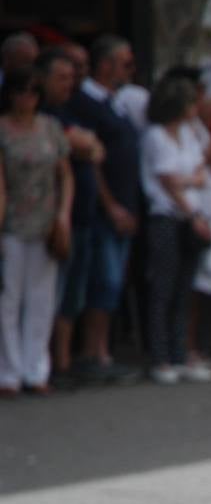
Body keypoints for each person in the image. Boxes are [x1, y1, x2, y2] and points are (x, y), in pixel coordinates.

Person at [64, 34, 141, 383]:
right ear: (106, 64)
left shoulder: (117, 102)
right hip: (102, 209)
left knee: (113, 283)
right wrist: (110, 205)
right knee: (102, 280)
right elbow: (94, 161)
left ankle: (102, 351)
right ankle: (89, 352)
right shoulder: (85, 103)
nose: (130, 69)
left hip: (126, 205)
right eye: (125, 62)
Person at [0, 66, 73, 397]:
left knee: (41, 299)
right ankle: (8, 373)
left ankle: (36, 369)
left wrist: (63, 216)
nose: (26, 98)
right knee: (9, 298)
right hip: (12, 221)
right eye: (20, 91)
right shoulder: (1, 130)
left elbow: (65, 175)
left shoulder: (50, 128)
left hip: (45, 221)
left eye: (32, 91)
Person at [140, 75, 211, 385]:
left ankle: (180, 352)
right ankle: (160, 357)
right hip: (166, 216)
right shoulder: (156, 136)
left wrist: (189, 185)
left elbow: (198, 172)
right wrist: (190, 204)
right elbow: (167, 181)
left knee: (184, 289)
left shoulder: (190, 133)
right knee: (163, 288)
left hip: (190, 216)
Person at [39, 46, 105, 385]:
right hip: (50, 221)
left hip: (82, 217)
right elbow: (81, 147)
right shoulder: (45, 115)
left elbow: (95, 147)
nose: (69, 83)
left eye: (72, 76)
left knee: (73, 294)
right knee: (54, 292)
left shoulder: (71, 112)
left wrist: (87, 144)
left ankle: (63, 361)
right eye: (61, 77)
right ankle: (50, 363)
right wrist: (84, 145)